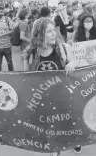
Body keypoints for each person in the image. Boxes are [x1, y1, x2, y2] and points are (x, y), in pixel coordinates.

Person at [22, 18, 79, 155]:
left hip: (63, 96)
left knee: (68, 122)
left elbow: (75, 61)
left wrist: (72, 64)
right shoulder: (30, 53)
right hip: (43, 99)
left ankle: (76, 139)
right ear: (40, 34)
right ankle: (55, 149)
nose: (54, 34)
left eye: (54, 30)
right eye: (49, 31)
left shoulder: (63, 48)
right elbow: (25, 77)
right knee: (50, 127)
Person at [0, 6, 15, 71]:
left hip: (7, 45)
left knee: (9, 62)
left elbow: (13, 30)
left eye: (1, 12)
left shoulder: (7, 19)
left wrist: (3, 34)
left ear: (3, 12)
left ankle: (12, 77)